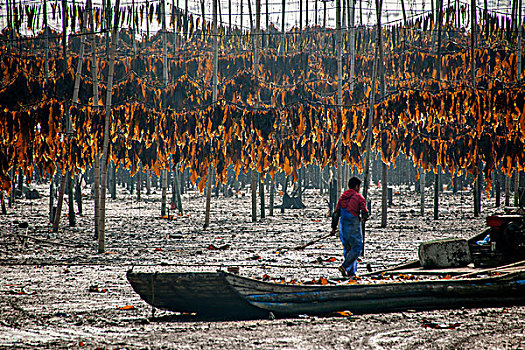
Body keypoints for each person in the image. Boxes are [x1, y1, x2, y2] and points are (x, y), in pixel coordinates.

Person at [331, 177, 369, 278]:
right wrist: (364, 218)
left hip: (343, 226)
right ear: (356, 186)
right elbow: (365, 212)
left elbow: (336, 214)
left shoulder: (343, 197)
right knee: (357, 248)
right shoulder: (359, 197)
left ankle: (351, 273)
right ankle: (344, 266)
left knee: (348, 249)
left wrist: (333, 228)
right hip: (353, 225)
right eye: (359, 186)